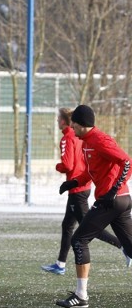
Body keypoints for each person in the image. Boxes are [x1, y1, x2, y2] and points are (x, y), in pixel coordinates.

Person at [57, 105, 132, 308]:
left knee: (79, 240)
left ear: (80, 124)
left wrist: (113, 190)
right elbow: (94, 172)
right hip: (119, 200)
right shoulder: (88, 142)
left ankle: (81, 296)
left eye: (73, 123)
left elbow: (127, 162)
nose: (70, 125)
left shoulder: (100, 140)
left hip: (113, 201)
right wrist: (74, 182)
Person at [41, 108, 125, 275]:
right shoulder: (83, 138)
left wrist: (57, 167)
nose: (58, 121)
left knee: (85, 232)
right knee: (68, 226)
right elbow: (88, 165)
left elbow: (68, 165)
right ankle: (61, 264)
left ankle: (123, 246)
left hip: (84, 190)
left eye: (59, 119)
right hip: (82, 186)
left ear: (66, 122)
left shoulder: (69, 138)